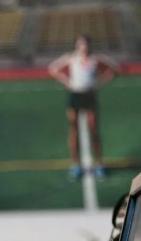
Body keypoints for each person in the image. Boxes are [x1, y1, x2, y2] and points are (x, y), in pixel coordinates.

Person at [48, 34, 120, 181]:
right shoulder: (71, 58)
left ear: (89, 45)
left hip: (89, 96)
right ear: (77, 45)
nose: (83, 47)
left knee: (93, 130)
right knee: (73, 130)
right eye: (80, 44)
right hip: (75, 96)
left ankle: (98, 163)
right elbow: (53, 68)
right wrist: (66, 81)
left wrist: (99, 82)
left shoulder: (95, 59)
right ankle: (75, 165)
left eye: (85, 44)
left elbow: (114, 68)